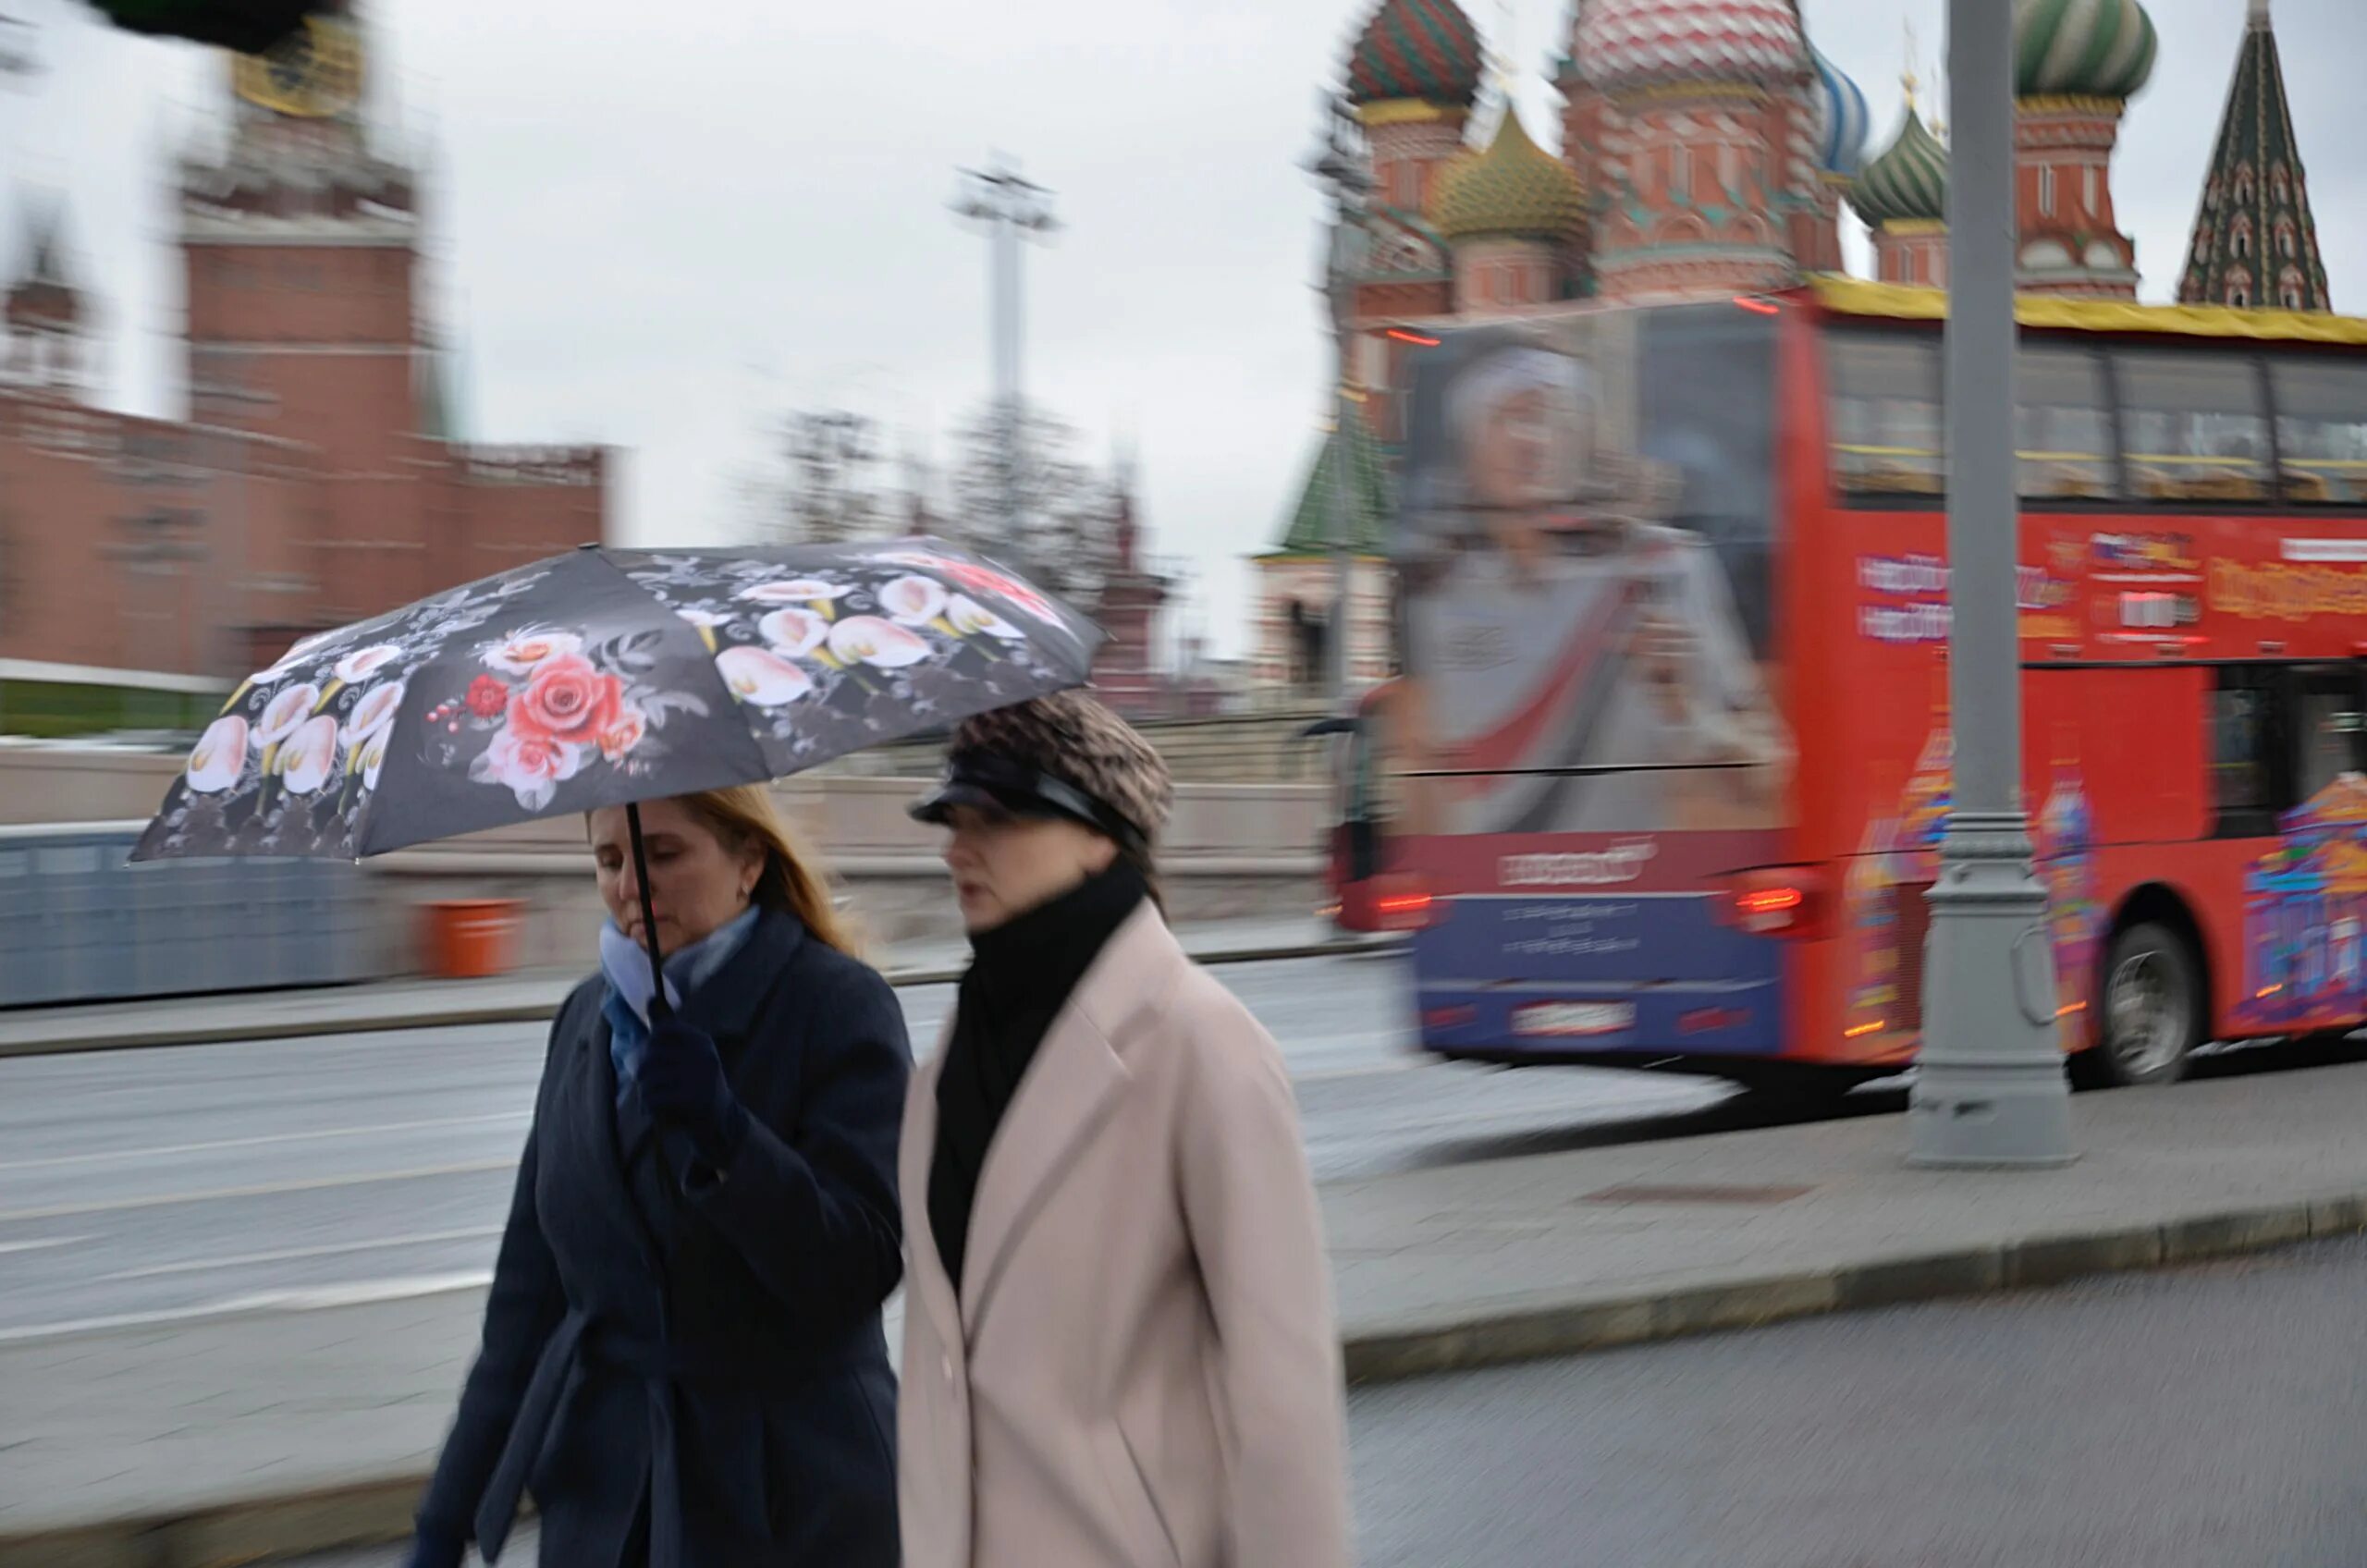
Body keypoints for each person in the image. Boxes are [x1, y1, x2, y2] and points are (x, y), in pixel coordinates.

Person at [897, 692, 1352, 1568]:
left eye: (997, 816)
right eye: (952, 818)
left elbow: (1283, 1392)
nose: (958, 847)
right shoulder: (948, 1064)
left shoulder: (1203, 1044)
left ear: (1102, 835)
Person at [404, 786, 910, 1568]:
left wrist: (726, 1134)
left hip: (786, 1500)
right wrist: (445, 1520)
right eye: (609, 860)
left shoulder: (837, 1004)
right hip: (608, 1499)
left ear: (749, 863)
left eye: (663, 854)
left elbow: (861, 1264)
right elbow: (528, 1300)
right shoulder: (586, 1020)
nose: (631, 886)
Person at [1393, 328, 1791, 836]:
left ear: (1582, 441)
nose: (1535, 441)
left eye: (1557, 419)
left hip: (1640, 882)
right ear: (1469, 443)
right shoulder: (1436, 593)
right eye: (1511, 417)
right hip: (1487, 890)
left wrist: (1684, 705)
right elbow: (1422, 787)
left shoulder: (1661, 564)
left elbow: (1768, 772)